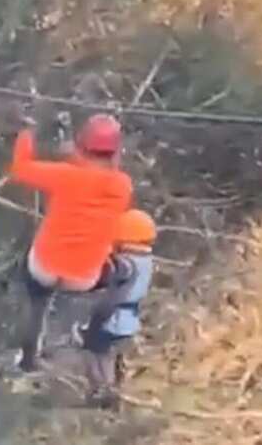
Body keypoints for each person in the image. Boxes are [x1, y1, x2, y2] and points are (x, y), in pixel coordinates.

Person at [8, 114, 133, 373]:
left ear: (80, 145)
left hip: (44, 266)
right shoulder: (123, 186)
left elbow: (20, 169)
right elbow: (96, 176)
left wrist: (26, 132)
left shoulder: (64, 176)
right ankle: (95, 335)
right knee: (124, 274)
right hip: (84, 277)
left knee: (36, 296)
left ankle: (27, 357)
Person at [78, 208, 157, 410]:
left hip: (113, 318)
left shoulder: (124, 264)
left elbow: (109, 293)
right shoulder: (145, 261)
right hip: (130, 318)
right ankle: (112, 395)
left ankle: (102, 394)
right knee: (111, 356)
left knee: (93, 352)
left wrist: (94, 324)